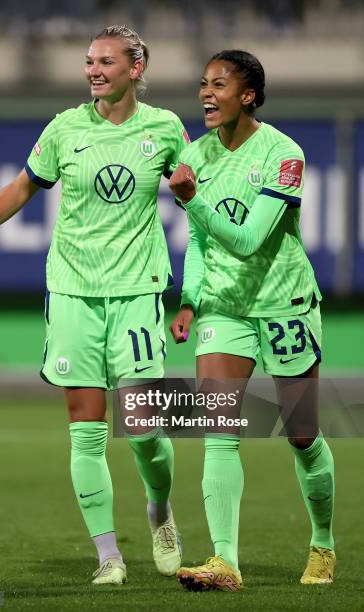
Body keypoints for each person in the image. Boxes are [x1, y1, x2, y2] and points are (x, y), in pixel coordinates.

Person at [0, 25, 188, 586]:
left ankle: (160, 511)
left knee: (144, 428)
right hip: (73, 292)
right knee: (85, 429)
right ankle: (108, 556)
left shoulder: (165, 128)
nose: (93, 70)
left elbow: (191, 187)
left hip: (135, 291)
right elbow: (24, 185)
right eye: (89, 62)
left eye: (106, 61)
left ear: (135, 68)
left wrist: (188, 190)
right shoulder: (64, 128)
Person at [169, 49, 335, 591]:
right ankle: (224, 563)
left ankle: (323, 543)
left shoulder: (285, 154)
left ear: (248, 95)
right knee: (218, 432)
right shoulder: (195, 153)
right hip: (225, 307)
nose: (206, 94)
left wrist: (193, 199)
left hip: (284, 303)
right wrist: (191, 298)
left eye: (220, 84)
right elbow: (199, 242)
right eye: (203, 83)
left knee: (302, 433)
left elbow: (245, 240)